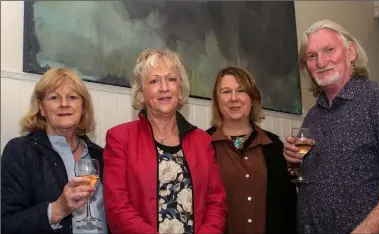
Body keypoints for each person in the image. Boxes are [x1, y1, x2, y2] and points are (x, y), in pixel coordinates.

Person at [284, 19, 379, 234]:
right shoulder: (312, 116)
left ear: (351, 52)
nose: (321, 61)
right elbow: (313, 178)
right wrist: (294, 164)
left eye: (329, 50)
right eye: (312, 56)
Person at [103, 48, 227, 234]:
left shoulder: (202, 141)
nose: (164, 88)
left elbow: (216, 203)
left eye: (171, 79)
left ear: (180, 87)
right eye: (154, 81)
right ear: (141, 91)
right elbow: (117, 208)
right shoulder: (120, 139)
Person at [1, 68, 108, 234]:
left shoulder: (101, 155)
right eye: (54, 97)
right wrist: (58, 209)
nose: (64, 104)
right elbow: (7, 224)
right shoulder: (20, 151)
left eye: (72, 97)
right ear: (41, 109)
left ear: (83, 107)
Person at [206, 66, 297, 234]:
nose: (234, 98)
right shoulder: (202, 145)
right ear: (217, 100)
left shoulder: (274, 146)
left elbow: (288, 208)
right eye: (226, 92)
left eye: (241, 91)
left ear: (252, 98)